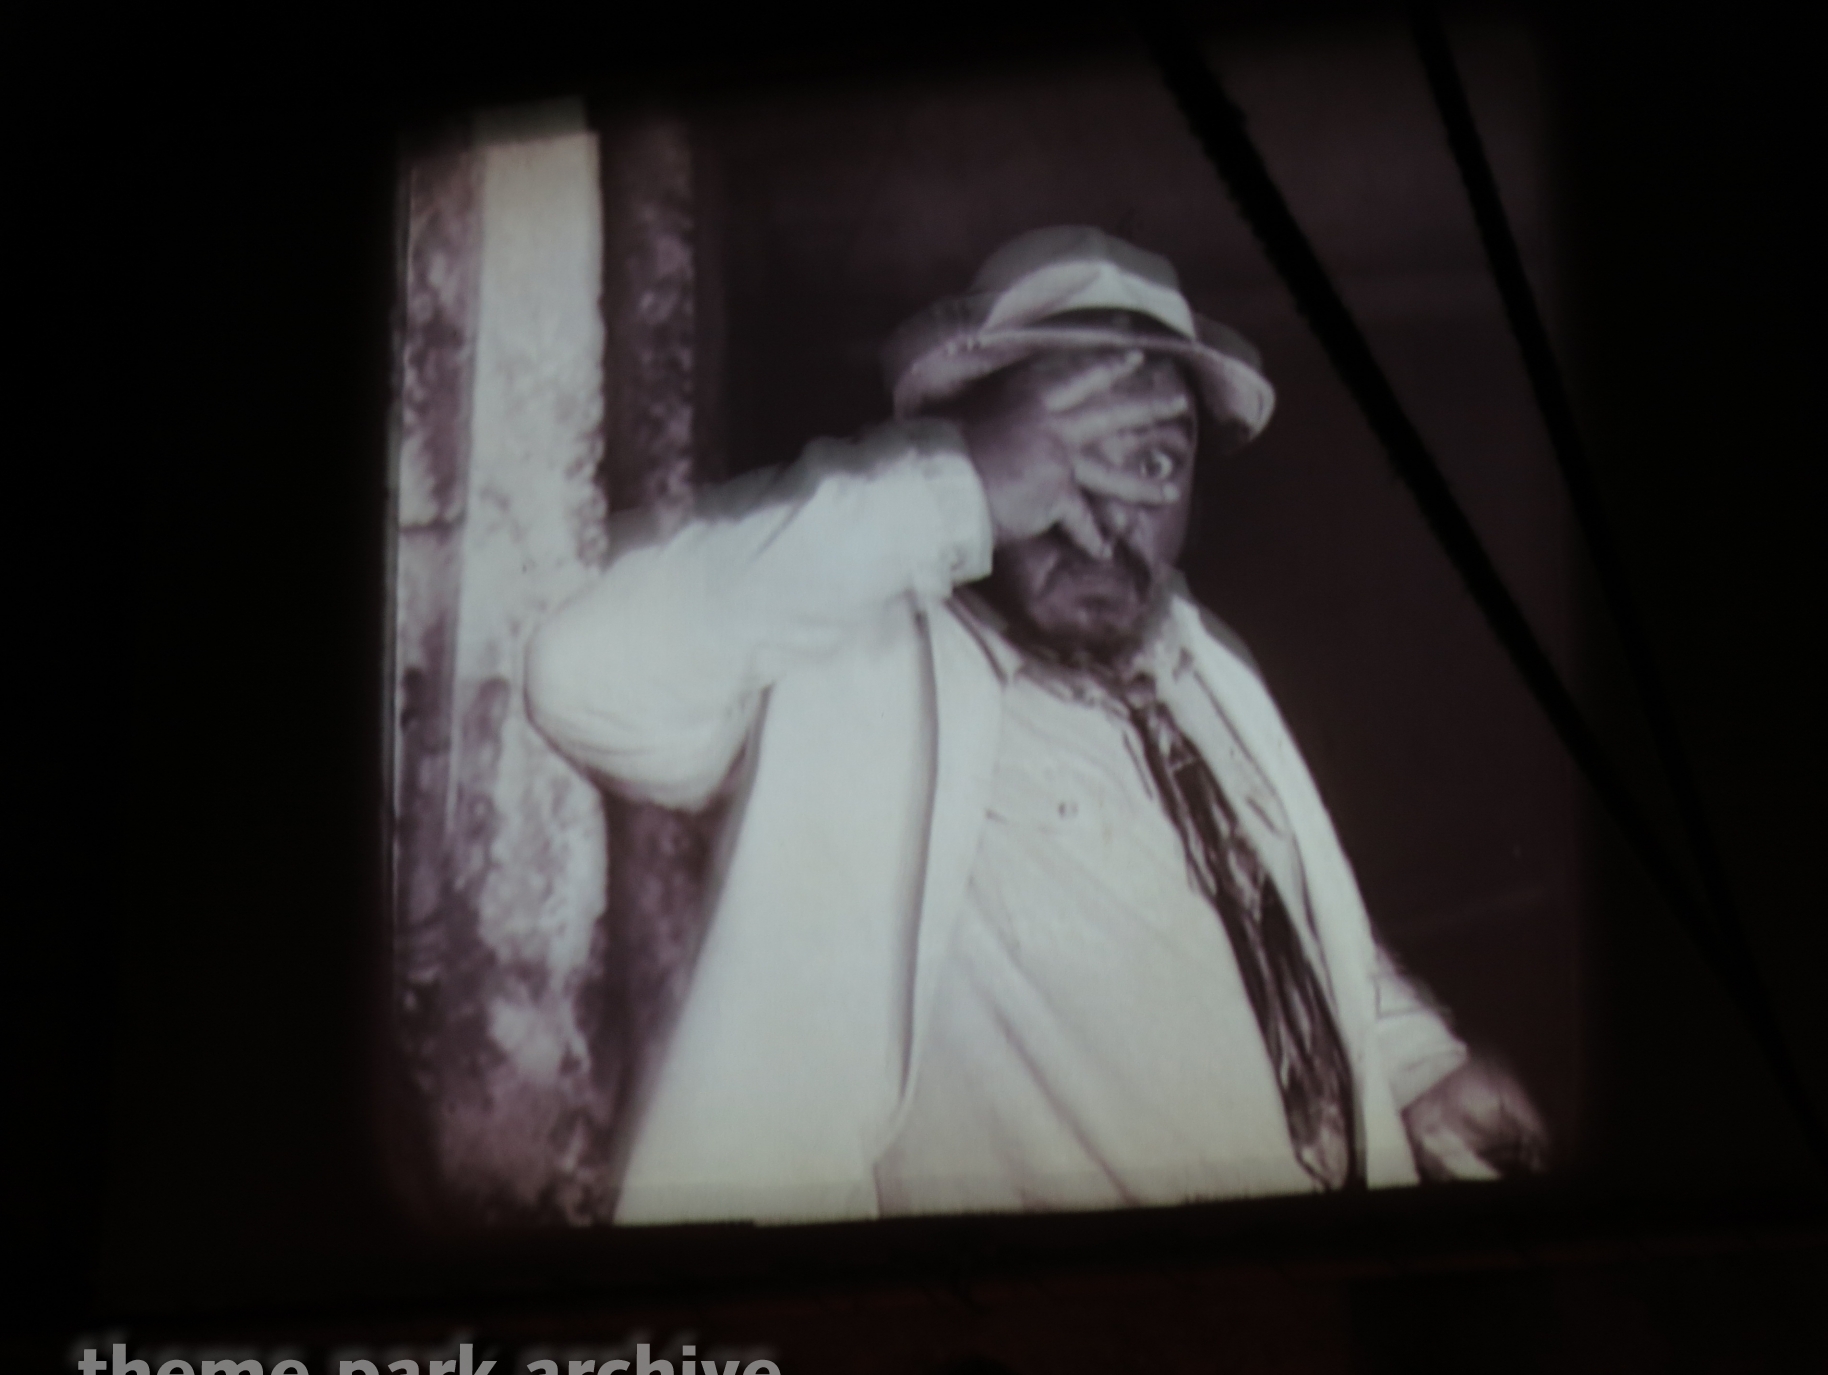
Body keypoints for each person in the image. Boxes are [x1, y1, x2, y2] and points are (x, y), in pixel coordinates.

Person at [528, 226, 1547, 1225]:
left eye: (1152, 466)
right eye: (1060, 464)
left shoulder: (1204, 662)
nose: (1103, 525)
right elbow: (581, 675)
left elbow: (1272, 910)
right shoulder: (852, 673)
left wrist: (1415, 1066)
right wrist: (956, 484)